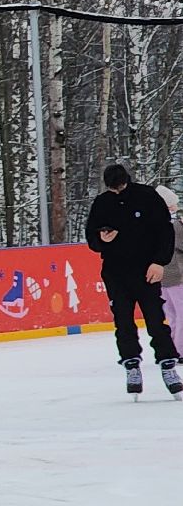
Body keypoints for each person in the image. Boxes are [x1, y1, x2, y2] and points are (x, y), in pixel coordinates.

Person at [83, 163, 180, 398]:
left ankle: (168, 364)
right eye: (113, 189)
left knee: (156, 319)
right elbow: (92, 238)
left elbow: (165, 232)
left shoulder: (147, 197)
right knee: (123, 321)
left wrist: (159, 262)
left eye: (120, 188)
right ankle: (131, 363)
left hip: (146, 270)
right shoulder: (102, 203)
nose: (117, 192)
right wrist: (101, 238)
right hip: (116, 272)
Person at [159, 186, 183, 343]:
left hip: (161, 277)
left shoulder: (152, 224)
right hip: (176, 274)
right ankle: (180, 348)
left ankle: (174, 346)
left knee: (172, 314)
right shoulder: (174, 225)